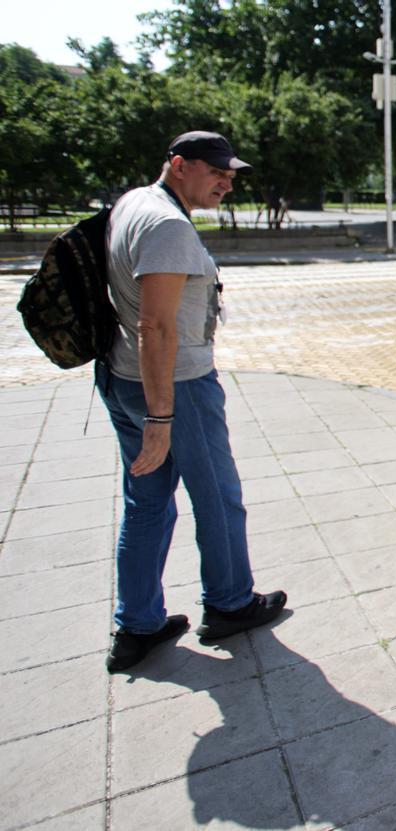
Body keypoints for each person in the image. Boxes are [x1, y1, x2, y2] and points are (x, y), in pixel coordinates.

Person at [99, 131, 287, 673]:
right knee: (218, 498)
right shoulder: (167, 225)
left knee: (147, 502)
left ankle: (138, 625)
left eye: (231, 173)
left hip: (124, 377)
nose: (227, 181)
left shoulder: (133, 203)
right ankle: (230, 604)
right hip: (175, 387)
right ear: (179, 166)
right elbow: (155, 325)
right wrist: (162, 417)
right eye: (216, 171)